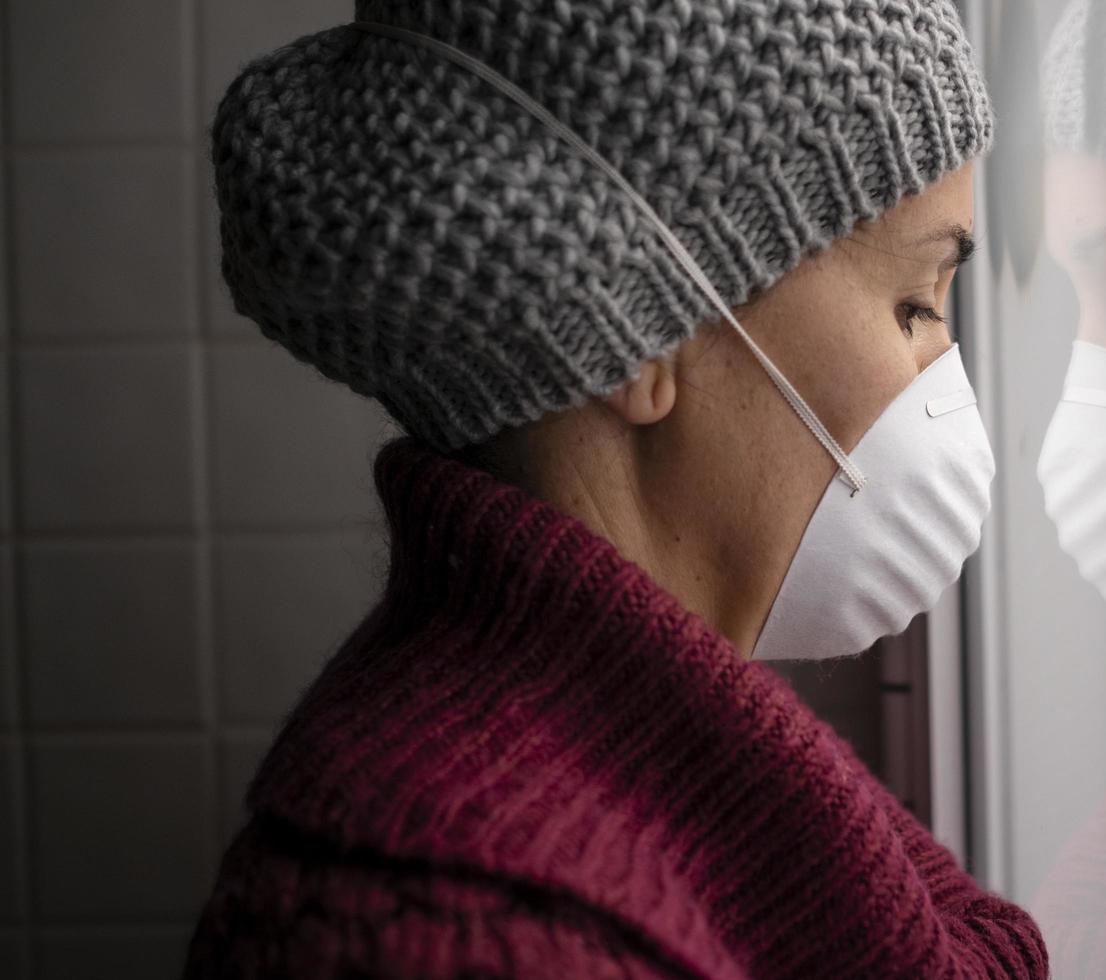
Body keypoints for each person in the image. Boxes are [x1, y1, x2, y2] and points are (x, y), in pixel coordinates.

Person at [183, 2, 1048, 977]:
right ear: (642, 331)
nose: (946, 369)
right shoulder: (451, 930)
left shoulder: (666, 776)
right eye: (914, 302)